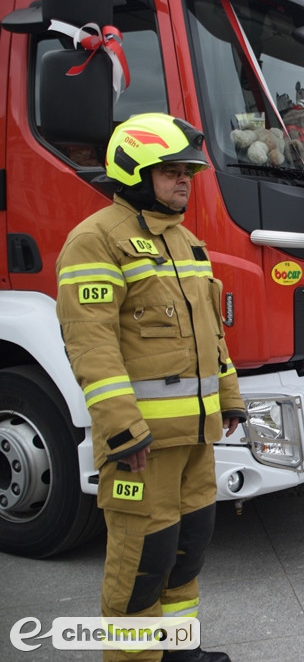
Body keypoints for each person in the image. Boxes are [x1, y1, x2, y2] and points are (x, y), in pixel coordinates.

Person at [56, 113, 247, 662]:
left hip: (195, 439)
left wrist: (229, 398)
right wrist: (121, 431)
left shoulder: (186, 243)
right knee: (141, 562)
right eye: (170, 172)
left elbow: (211, 338)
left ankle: (178, 649)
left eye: (188, 171)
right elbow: (91, 347)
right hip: (141, 448)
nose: (184, 181)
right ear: (133, 173)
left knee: (186, 552)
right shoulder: (96, 241)